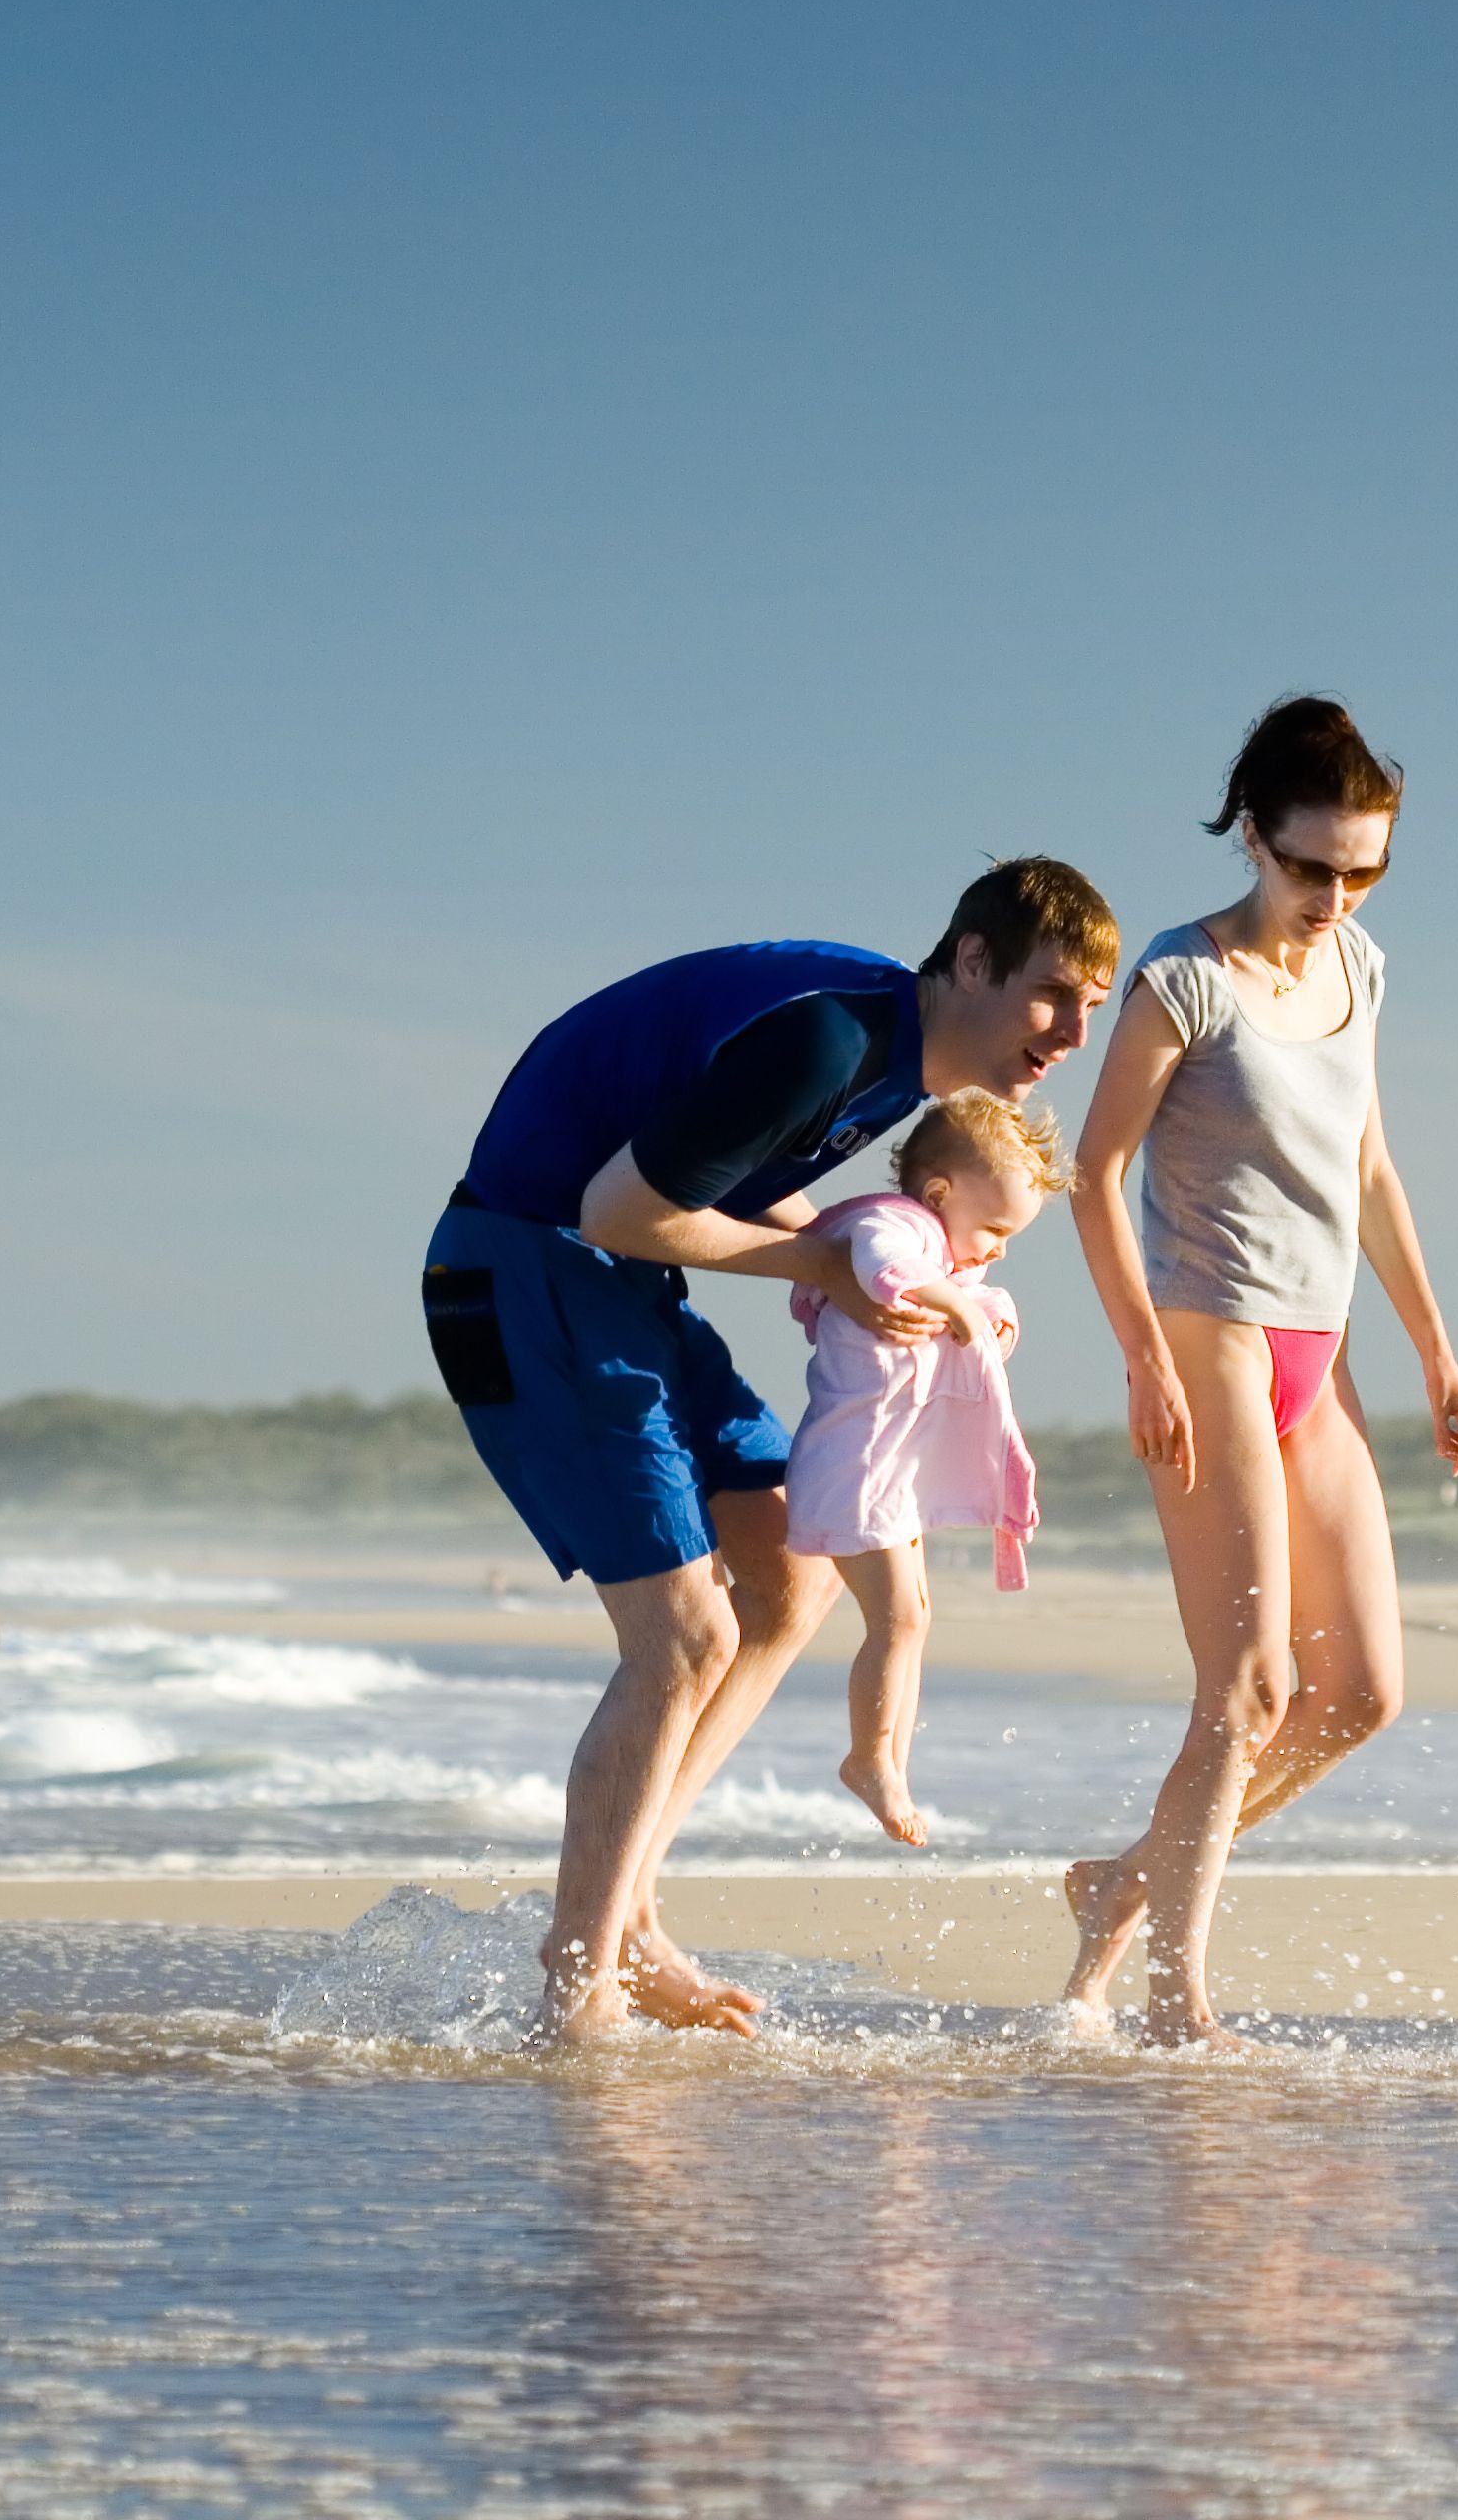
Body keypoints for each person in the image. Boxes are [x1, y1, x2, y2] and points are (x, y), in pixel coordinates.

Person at [424, 860, 1121, 2043]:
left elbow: (717, 1186)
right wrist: (828, 1266)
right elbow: (614, 1209)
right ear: (969, 961)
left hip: (619, 1280)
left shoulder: (895, 1068)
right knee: (683, 1642)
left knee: (790, 1571)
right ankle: (578, 1980)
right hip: (523, 1267)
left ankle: (631, 1915)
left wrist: (869, 1253)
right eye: (1055, 992)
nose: (1073, 1029)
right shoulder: (827, 1047)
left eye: (1094, 1006)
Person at [1056, 699, 1458, 2048]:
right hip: (1212, 1342)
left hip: (1327, 1347)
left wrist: (1434, 1347)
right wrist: (1142, 1358)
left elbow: (1366, 1166)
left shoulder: (1362, 970)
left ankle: (1128, 1879)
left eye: (1365, 870)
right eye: (1314, 867)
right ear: (1254, 837)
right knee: (1245, 1689)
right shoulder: (1183, 981)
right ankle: (1178, 1996)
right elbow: (1095, 1173)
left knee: (1359, 1693)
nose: (1337, 893)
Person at [781, 1088, 1072, 1847]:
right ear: (939, 1194)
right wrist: (962, 1307)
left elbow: (980, 1302)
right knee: (899, 1617)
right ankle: (870, 1760)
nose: (999, 1247)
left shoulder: (942, 1255)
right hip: (856, 1465)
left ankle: (890, 1761)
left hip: (889, 1471)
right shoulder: (893, 1227)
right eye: (996, 1228)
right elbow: (887, 1271)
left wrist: (988, 1312)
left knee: (913, 1618)